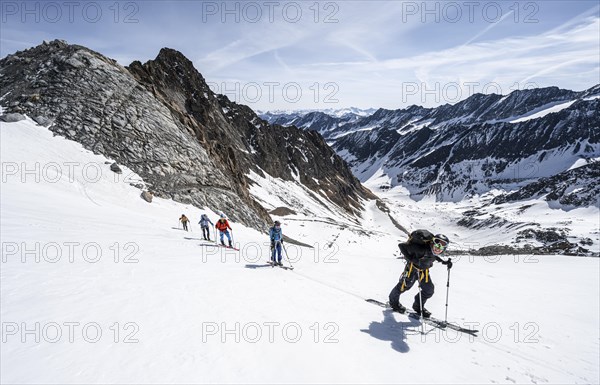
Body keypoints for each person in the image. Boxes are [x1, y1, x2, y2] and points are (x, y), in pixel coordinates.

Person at [388, 231, 452, 318]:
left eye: (441, 247)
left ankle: (418, 307)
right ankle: (393, 302)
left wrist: (444, 262)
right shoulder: (420, 249)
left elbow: (432, 256)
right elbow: (401, 246)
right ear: (432, 243)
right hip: (412, 269)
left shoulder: (433, 251)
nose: (438, 248)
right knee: (403, 287)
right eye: (437, 244)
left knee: (429, 290)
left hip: (423, 271)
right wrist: (411, 259)